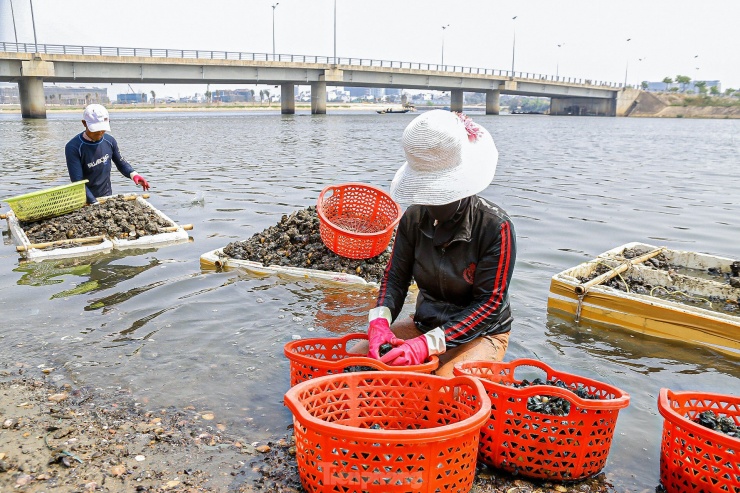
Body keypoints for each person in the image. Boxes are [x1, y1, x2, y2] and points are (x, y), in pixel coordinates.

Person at [365, 109, 516, 377]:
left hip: (482, 333)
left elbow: (489, 304)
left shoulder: (495, 227)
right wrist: (379, 322)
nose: (430, 202)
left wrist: (426, 345)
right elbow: (395, 279)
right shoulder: (412, 219)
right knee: (361, 359)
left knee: (447, 386)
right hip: (426, 325)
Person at [65, 104, 150, 204]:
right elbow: (77, 182)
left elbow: (121, 163)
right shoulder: (73, 147)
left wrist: (134, 174)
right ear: (84, 123)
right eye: (96, 130)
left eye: (102, 128)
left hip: (106, 196)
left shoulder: (109, 141)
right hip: (84, 200)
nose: (100, 132)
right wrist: (93, 202)